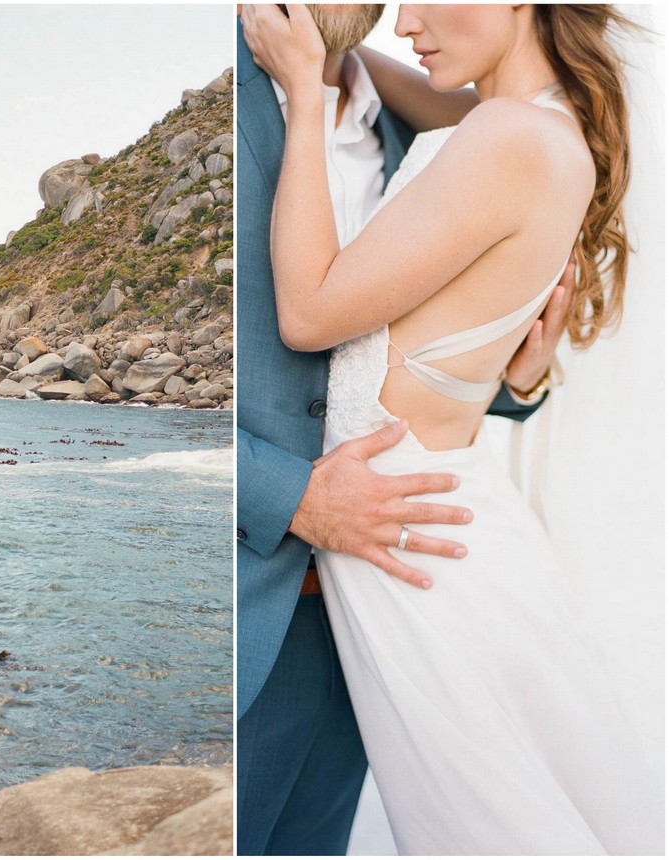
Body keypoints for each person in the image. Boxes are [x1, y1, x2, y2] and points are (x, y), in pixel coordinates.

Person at [242, 3, 661, 854]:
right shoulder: (495, 117)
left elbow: (313, 312)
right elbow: (371, 72)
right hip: (428, 532)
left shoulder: (504, 133)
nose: (407, 23)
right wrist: (320, 65)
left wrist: (302, 93)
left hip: (415, 548)